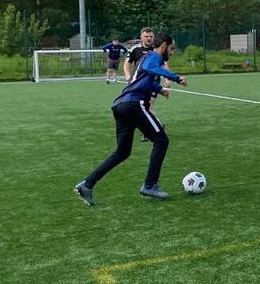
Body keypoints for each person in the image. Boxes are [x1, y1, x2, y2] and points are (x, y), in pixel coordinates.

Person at [74, 35, 188, 206]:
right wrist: (175, 77)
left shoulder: (145, 58)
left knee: (122, 152)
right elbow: (150, 68)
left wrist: (159, 89)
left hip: (120, 105)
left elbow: (141, 79)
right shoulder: (153, 57)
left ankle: (87, 184)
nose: (172, 53)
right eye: (171, 49)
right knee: (161, 140)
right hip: (134, 104)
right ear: (164, 46)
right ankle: (149, 185)